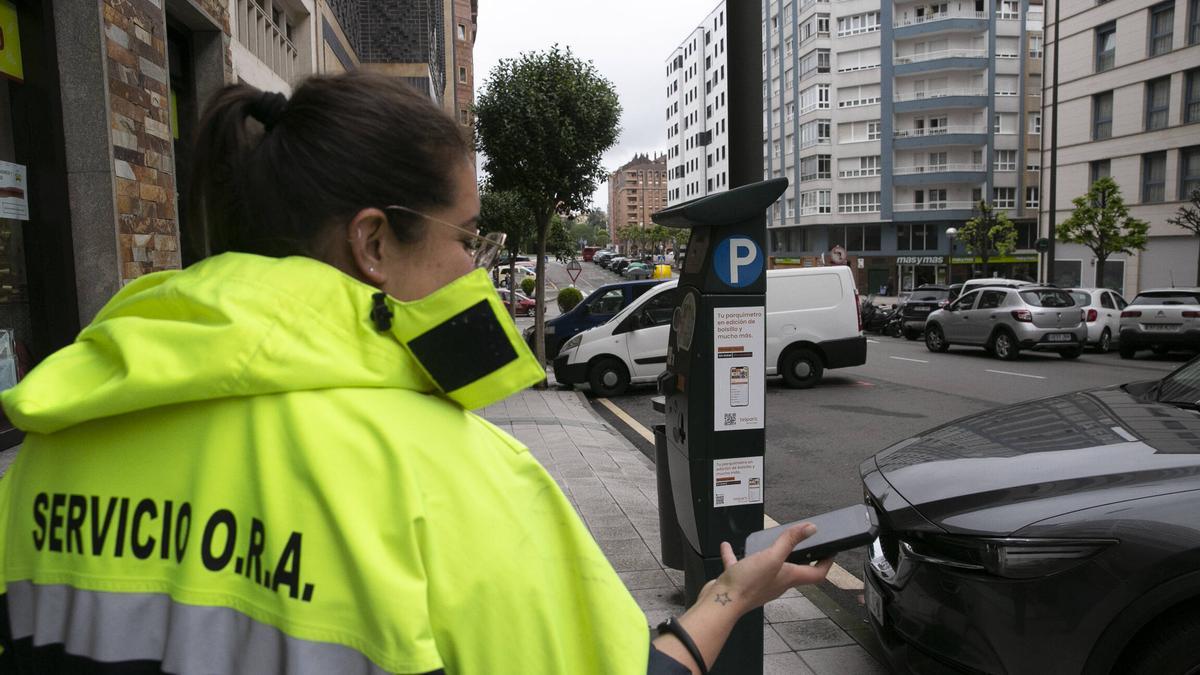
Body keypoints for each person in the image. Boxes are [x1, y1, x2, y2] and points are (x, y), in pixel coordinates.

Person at [0, 73, 829, 674]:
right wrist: (727, 598)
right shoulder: (456, 479)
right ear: (373, 243)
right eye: (466, 238)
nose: (475, 268)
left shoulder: (50, 447)